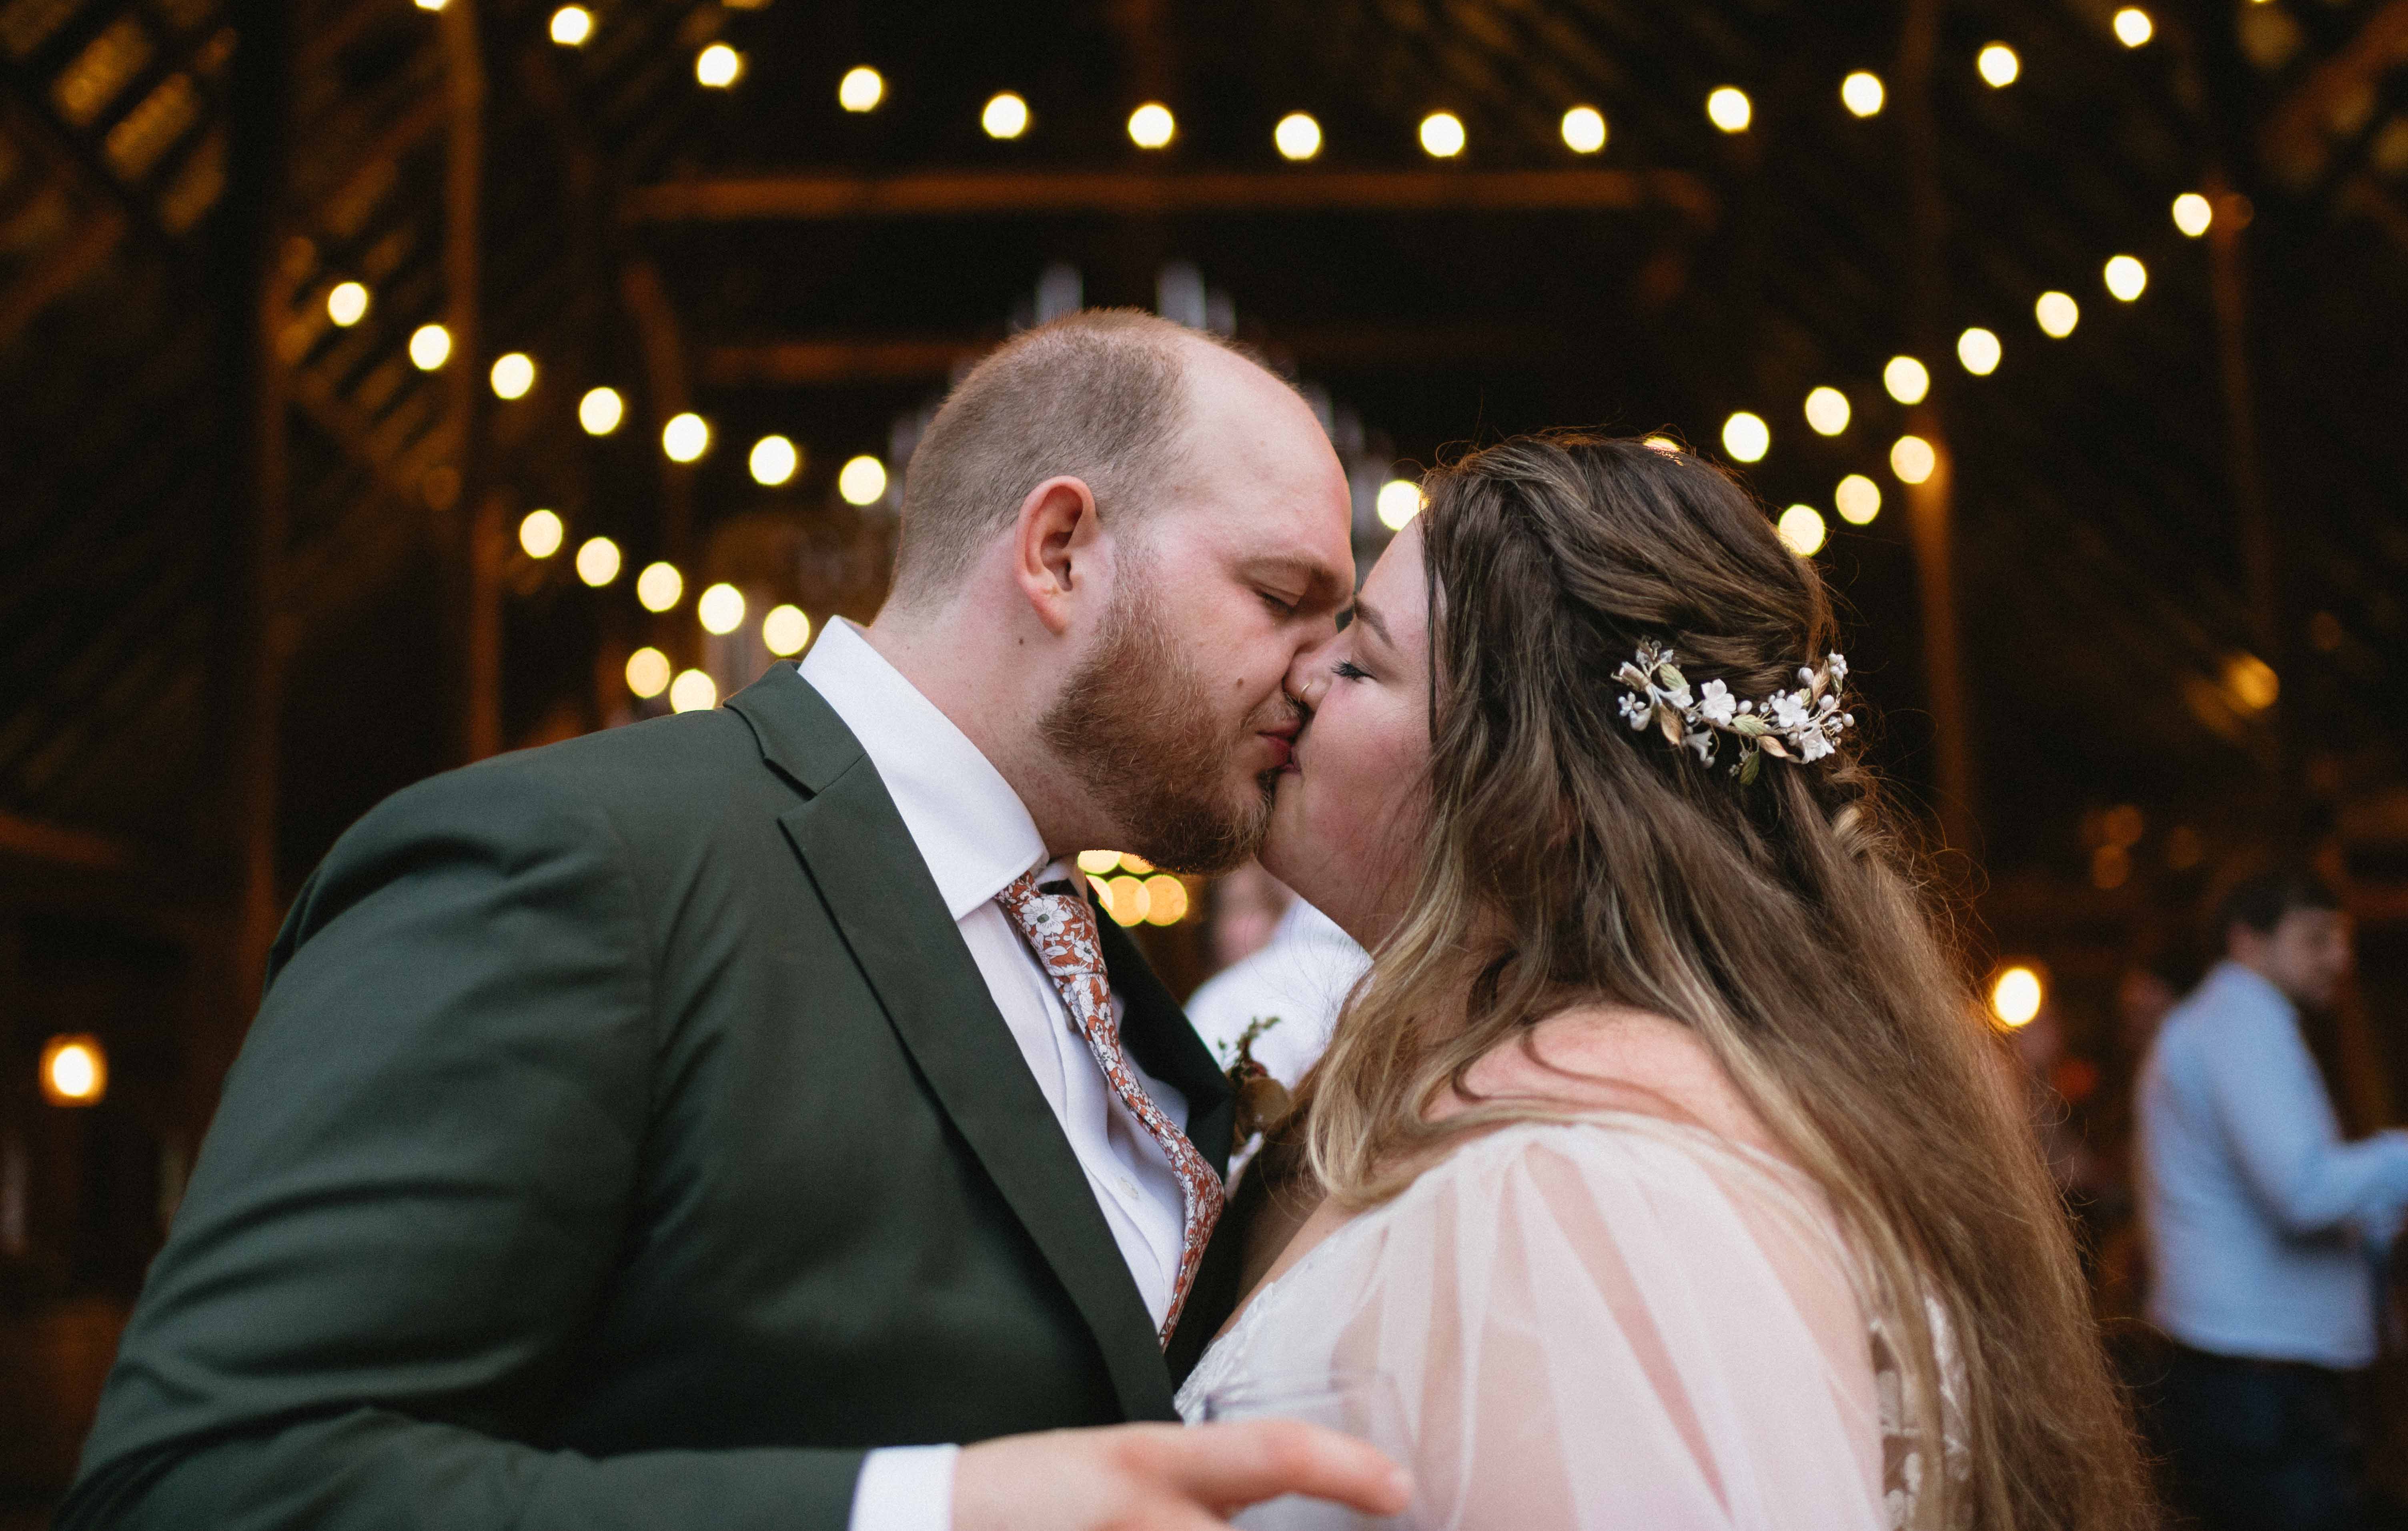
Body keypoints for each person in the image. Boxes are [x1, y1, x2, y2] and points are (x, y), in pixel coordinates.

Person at [60, 311, 1408, 1531]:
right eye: (1281, 597)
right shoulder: (577, 866)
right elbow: (206, 1480)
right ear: (1059, 552)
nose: (1319, 668)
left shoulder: (1086, 959)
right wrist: (925, 1512)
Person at [1168, 433, 2152, 1529]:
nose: (1303, 672)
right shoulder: (1531, 1104)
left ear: (1536, 802)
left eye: (1362, 662)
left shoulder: (1568, 1211)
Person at [2137, 867, 2408, 1531]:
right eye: (2316, 939)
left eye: (2340, 939)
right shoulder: (2238, 1022)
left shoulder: (2230, 1020)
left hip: (2247, 1370)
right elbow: (2303, 1190)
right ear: (2246, 941)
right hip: (2255, 1378)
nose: (2338, 958)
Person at [1185, 883, 1368, 1093]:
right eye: (1242, 907)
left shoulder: (1220, 1003)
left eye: (1270, 908)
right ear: (1212, 930)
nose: (1264, 924)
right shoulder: (1216, 1007)